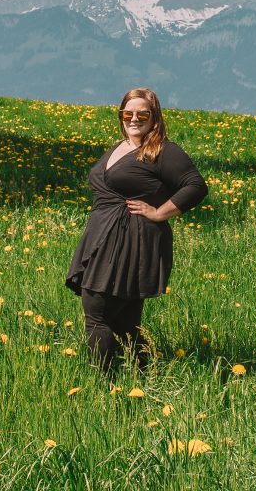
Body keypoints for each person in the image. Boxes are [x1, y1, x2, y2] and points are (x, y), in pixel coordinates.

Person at [65, 87, 208, 375]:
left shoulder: (163, 150)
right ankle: (145, 375)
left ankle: (103, 384)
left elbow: (196, 186)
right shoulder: (122, 146)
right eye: (127, 113)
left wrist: (159, 212)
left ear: (155, 117)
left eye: (142, 113)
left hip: (130, 240)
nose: (134, 119)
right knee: (125, 321)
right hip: (108, 236)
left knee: (97, 315)